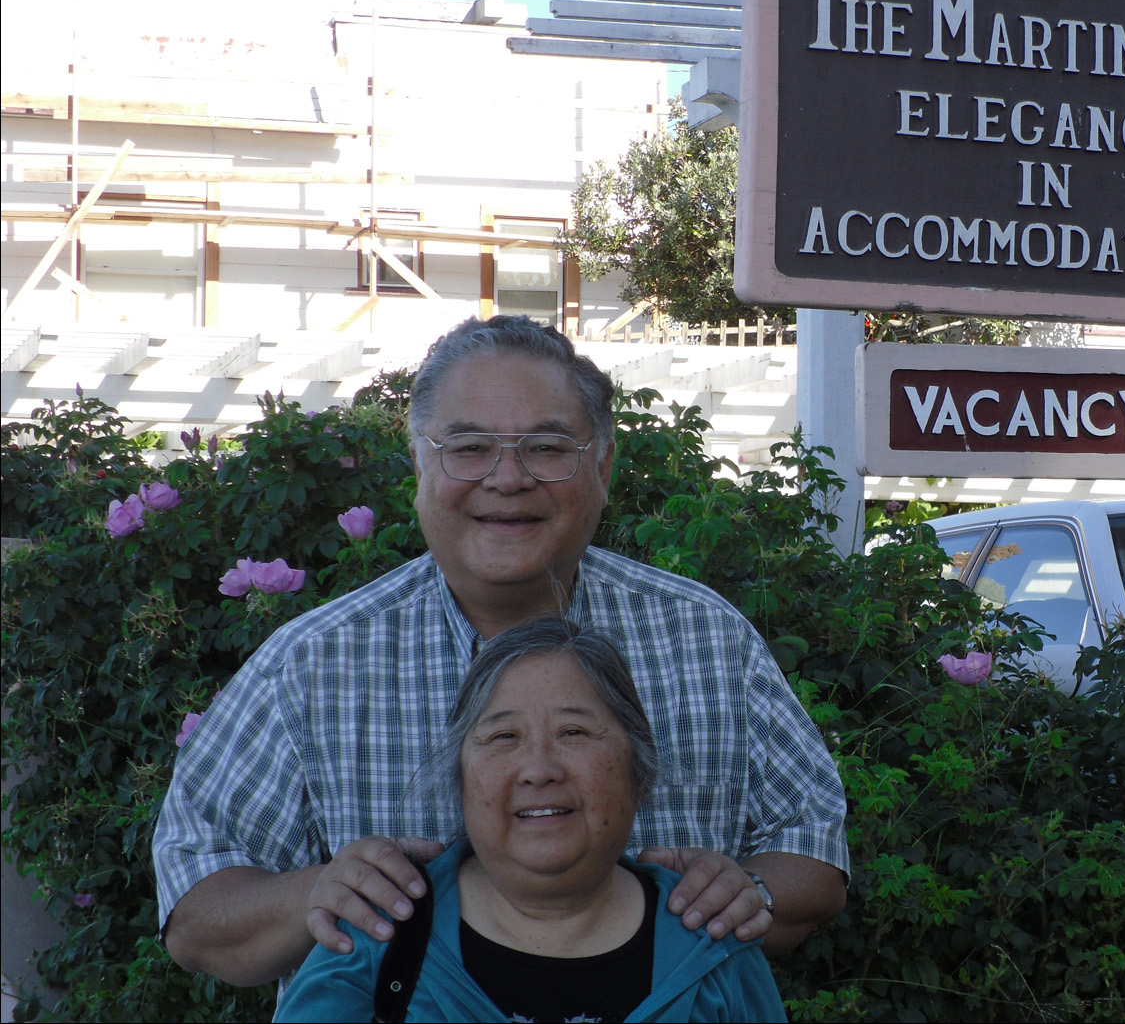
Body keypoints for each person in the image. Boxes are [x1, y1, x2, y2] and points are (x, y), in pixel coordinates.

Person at [154, 315, 848, 988]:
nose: (507, 477)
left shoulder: (707, 641)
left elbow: (812, 845)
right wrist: (318, 892)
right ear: (421, 460)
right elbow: (192, 913)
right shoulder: (310, 664)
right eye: (469, 446)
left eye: (547, 448)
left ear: (602, 463)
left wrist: (751, 889)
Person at [274, 618, 787, 1023]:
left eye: (575, 732)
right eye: (503, 738)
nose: (539, 770)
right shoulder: (375, 938)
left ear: (639, 773)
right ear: (461, 780)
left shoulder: (714, 946)